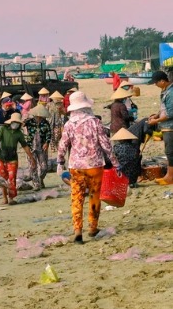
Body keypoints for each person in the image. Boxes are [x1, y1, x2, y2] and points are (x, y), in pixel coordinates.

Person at [57, 91, 122, 242]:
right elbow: (106, 145)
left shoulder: (69, 124)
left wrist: (60, 161)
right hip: (95, 165)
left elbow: (62, 145)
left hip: (76, 166)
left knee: (77, 197)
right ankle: (92, 227)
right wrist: (115, 163)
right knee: (94, 196)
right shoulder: (95, 122)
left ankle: (78, 230)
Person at [0, 112, 34, 205]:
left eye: (18, 123)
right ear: (11, 122)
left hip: (13, 158)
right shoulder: (2, 128)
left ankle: (11, 198)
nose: (16, 124)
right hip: (1, 157)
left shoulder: (19, 133)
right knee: (2, 178)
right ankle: (4, 198)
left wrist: (31, 158)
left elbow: (25, 146)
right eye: (15, 122)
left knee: (12, 178)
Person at [146, 70, 173, 185]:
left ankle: (170, 177)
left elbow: (170, 113)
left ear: (162, 81)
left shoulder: (171, 92)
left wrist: (156, 120)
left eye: (156, 83)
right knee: (169, 151)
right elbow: (164, 108)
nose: (155, 85)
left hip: (170, 126)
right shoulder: (165, 91)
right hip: (166, 126)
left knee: (170, 152)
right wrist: (156, 115)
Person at [111, 123, 149, 188]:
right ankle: (133, 182)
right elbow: (139, 158)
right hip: (133, 176)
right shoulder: (135, 147)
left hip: (122, 175)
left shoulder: (116, 147)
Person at [24, 105, 52, 189]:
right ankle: (36, 184)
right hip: (31, 147)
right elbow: (20, 125)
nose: (39, 118)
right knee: (33, 166)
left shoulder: (45, 123)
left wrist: (47, 143)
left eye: (41, 116)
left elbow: (49, 134)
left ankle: (40, 179)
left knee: (44, 167)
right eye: (38, 116)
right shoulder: (29, 122)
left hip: (42, 147)